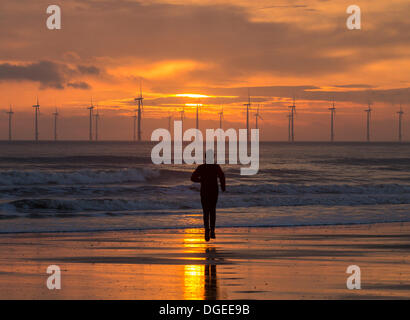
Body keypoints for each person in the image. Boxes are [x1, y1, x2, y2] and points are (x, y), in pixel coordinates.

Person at [191, 150, 226, 241]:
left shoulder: (201, 167)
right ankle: (212, 231)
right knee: (212, 211)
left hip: (205, 191)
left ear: (206, 157)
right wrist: (223, 187)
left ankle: (207, 231)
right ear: (213, 157)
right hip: (214, 191)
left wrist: (201, 180)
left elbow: (193, 178)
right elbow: (222, 177)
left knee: (206, 212)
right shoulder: (216, 167)